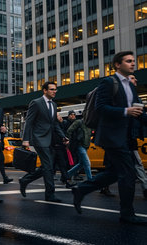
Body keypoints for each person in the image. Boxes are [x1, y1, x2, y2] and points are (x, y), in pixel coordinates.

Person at [71, 51, 147, 225]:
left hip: (126, 137)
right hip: (112, 136)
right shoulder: (108, 82)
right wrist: (124, 111)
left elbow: (139, 112)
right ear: (118, 65)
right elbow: (101, 108)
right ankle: (127, 213)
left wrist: (135, 113)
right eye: (128, 61)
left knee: (114, 173)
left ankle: (81, 190)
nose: (133, 64)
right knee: (128, 173)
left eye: (133, 61)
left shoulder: (131, 86)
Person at [19, 81, 68, 203]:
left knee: (48, 166)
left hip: (50, 139)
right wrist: (25, 139)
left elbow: (54, 124)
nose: (54, 91)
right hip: (39, 139)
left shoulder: (54, 105)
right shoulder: (36, 103)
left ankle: (25, 180)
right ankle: (50, 195)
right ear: (45, 91)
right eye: (51, 89)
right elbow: (29, 122)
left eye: (55, 89)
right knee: (48, 167)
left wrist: (63, 136)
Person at [127, 74, 147, 199]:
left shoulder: (135, 96)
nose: (136, 80)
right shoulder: (126, 96)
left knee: (116, 169)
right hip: (124, 137)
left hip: (130, 136)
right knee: (137, 164)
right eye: (133, 78)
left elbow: (142, 116)